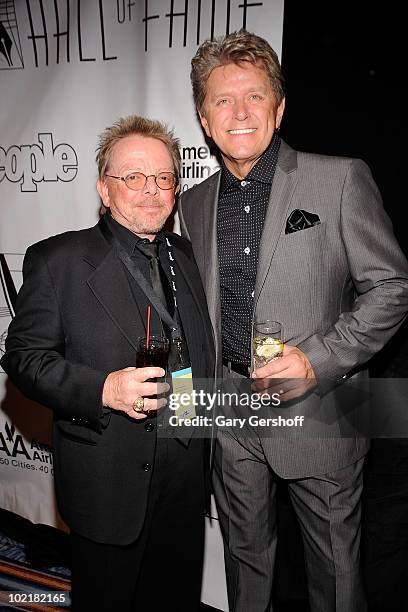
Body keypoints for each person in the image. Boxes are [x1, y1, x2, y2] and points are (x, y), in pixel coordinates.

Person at [178, 30, 408, 612]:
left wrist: (318, 362)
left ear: (279, 108)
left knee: (335, 576)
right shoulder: (193, 200)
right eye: (221, 101)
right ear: (204, 119)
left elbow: (392, 287)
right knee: (245, 565)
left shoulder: (339, 178)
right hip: (227, 407)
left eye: (254, 96)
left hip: (324, 407)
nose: (238, 112)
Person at [1, 115, 215, 612]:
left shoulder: (183, 254)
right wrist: (104, 390)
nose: (152, 190)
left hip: (184, 475)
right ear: (104, 187)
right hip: (109, 479)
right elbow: (23, 358)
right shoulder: (58, 260)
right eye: (133, 177)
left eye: (163, 178)